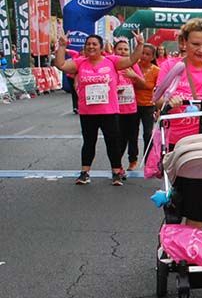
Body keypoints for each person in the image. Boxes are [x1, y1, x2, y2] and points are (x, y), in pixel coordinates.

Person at [54, 32, 144, 186]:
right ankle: (84, 173)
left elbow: (131, 59)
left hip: (109, 111)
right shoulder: (80, 62)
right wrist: (62, 46)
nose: (91, 46)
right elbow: (60, 65)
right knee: (89, 142)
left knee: (112, 142)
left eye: (94, 44)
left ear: (101, 47)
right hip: (88, 112)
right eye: (88, 44)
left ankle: (116, 173)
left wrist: (140, 44)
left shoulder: (111, 61)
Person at [112, 38, 149, 172]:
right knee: (117, 138)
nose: (122, 52)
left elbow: (143, 84)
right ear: (114, 50)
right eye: (120, 49)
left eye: (125, 49)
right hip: (114, 109)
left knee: (132, 136)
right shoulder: (110, 64)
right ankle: (117, 164)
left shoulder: (132, 65)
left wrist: (134, 76)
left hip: (131, 107)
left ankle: (132, 160)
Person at [135, 44, 160, 159]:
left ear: (153, 57)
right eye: (142, 53)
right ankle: (132, 158)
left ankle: (147, 160)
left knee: (148, 134)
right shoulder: (133, 66)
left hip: (149, 106)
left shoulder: (156, 71)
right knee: (132, 134)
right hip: (133, 105)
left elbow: (151, 86)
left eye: (147, 54)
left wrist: (159, 109)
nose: (144, 56)